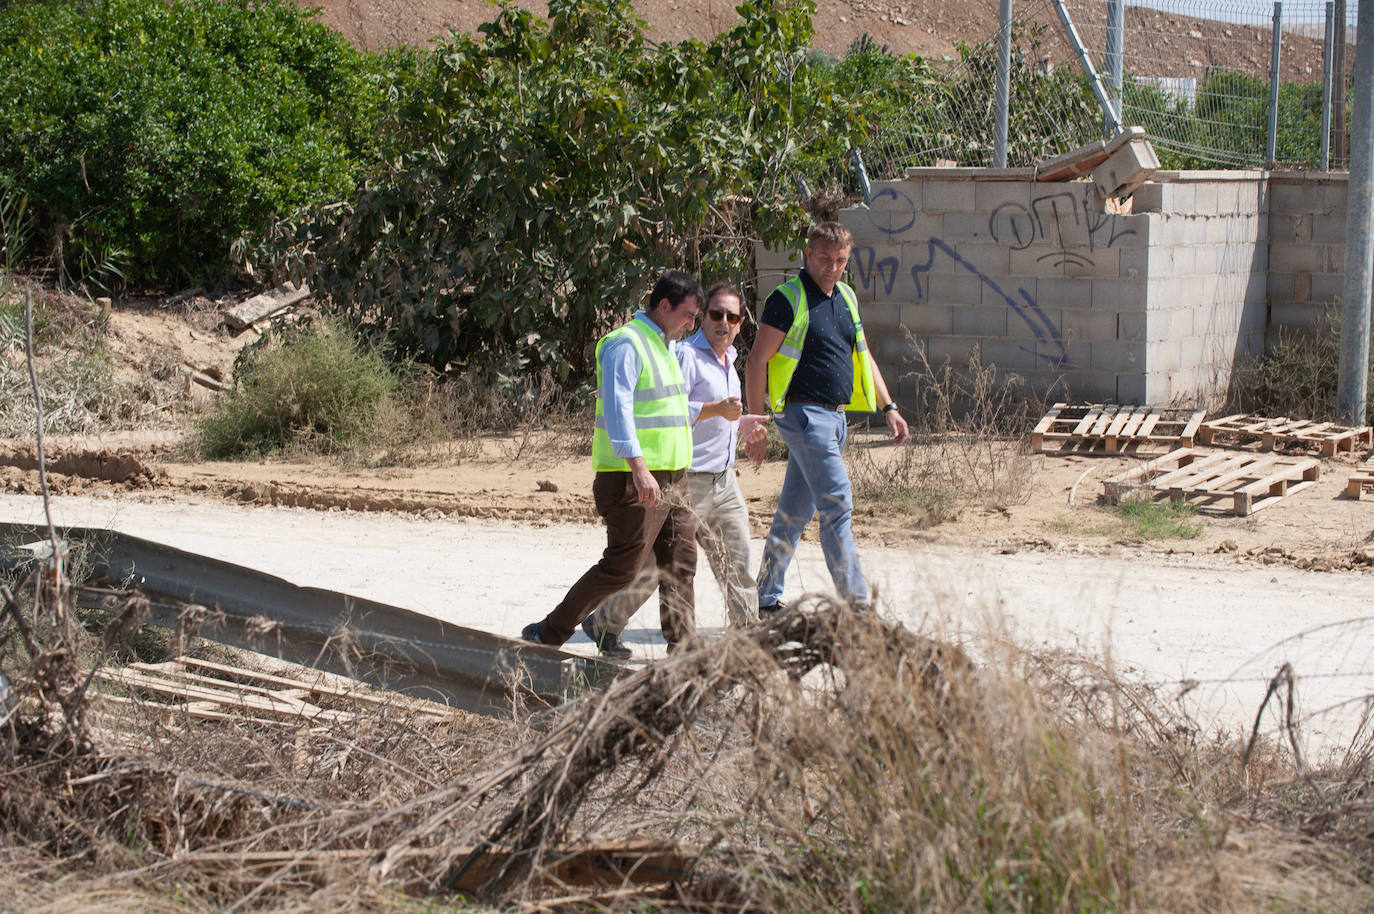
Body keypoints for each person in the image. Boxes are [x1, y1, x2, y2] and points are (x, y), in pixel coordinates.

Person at [581, 281, 768, 658]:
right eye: (715, 314)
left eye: (731, 317)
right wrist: (718, 410)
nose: (723, 323)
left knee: (739, 564)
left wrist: (742, 423)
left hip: (724, 481)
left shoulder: (729, 361)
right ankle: (604, 623)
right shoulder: (684, 355)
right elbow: (676, 411)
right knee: (656, 568)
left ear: (741, 322)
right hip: (687, 480)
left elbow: (718, 415)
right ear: (702, 317)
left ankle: (749, 640)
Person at [521, 270, 703, 649]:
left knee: (681, 565)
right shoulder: (627, 344)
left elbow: (671, 410)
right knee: (623, 567)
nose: (691, 324)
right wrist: (639, 469)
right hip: (632, 479)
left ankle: (684, 652)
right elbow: (619, 411)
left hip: (674, 479)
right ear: (664, 306)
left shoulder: (664, 345)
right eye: (688, 315)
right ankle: (549, 632)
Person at [744, 221, 909, 613]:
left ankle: (763, 600)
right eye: (824, 259)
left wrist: (890, 407)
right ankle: (858, 608)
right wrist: (756, 423)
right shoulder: (788, 299)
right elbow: (756, 361)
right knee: (837, 506)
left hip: (835, 421)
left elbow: (864, 355)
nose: (831, 267)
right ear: (808, 254)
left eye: (839, 260)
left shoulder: (847, 297)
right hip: (803, 416)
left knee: (794, 514)